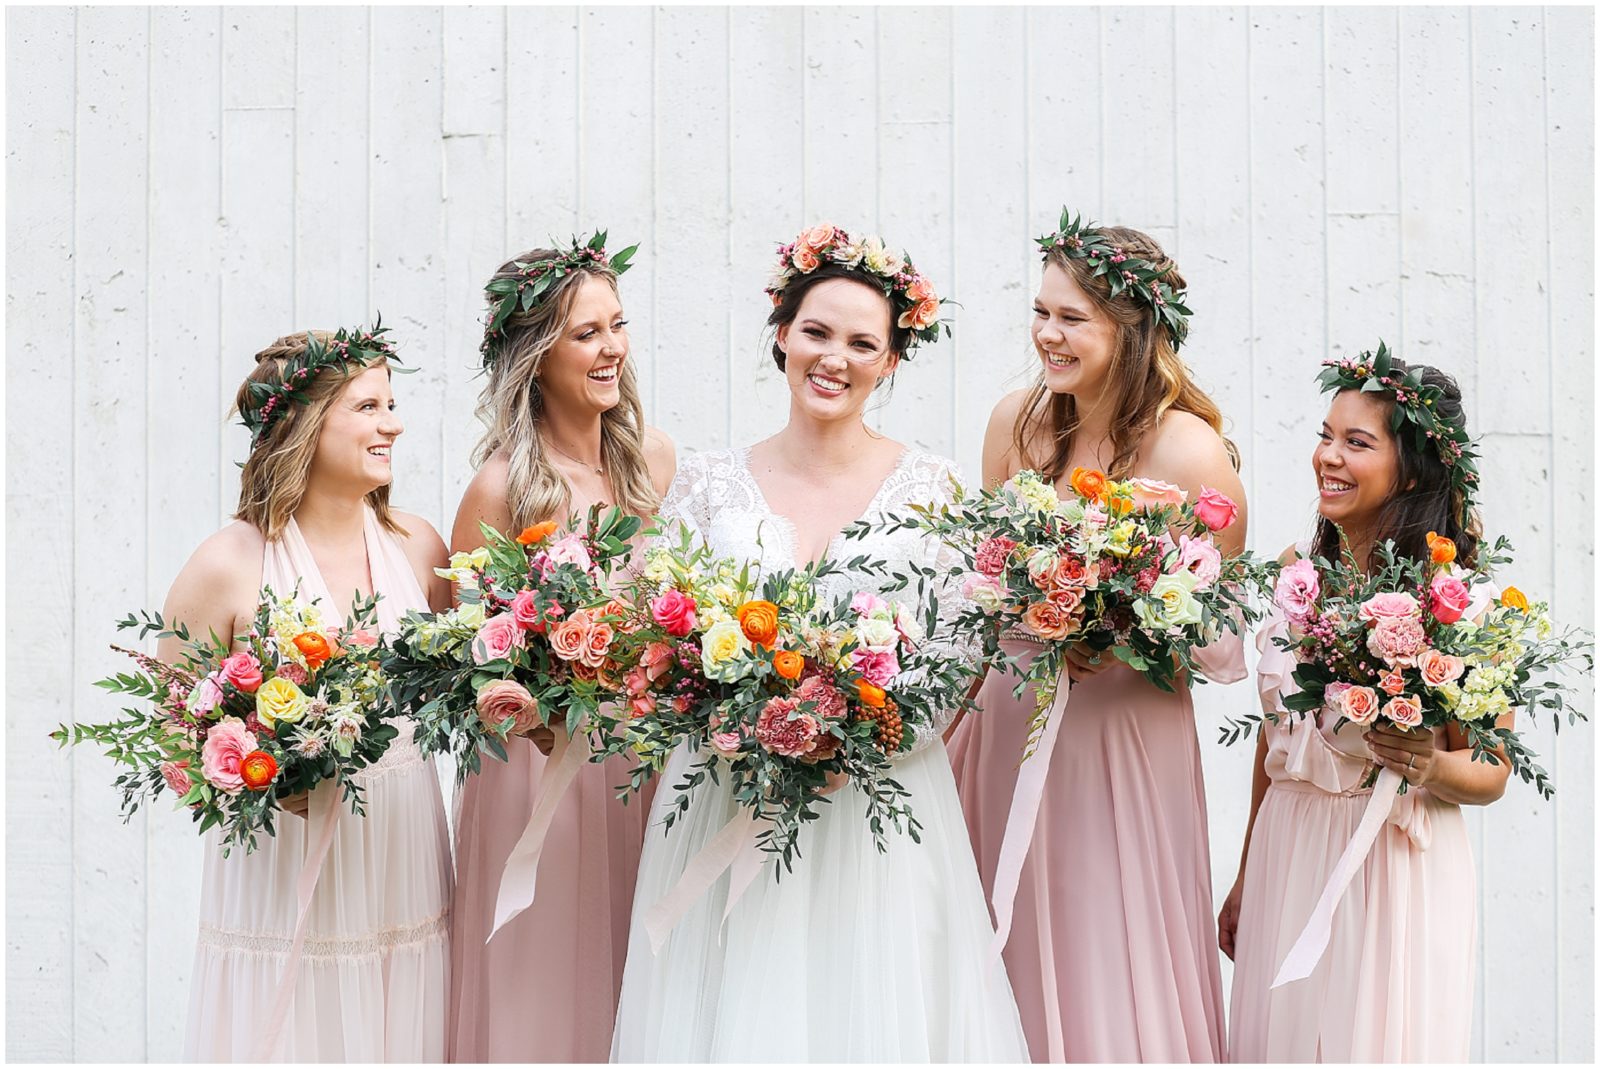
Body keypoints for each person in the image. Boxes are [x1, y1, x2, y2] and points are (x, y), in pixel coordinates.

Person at [609, 223, 1029, 1061]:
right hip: (728, 790)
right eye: (817, 331)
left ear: (892, 362)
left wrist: (855, 731)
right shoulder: (705, 481)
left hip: (876, 804)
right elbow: (659, 634)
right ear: (782, 334)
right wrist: (738, 713)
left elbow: (955, 654)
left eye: (862, 341)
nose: (834, 357)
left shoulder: (933, 488)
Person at [948, 214, 1245, 1062]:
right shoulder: (1016, 424)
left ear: (1133, 326)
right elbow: (986, 580)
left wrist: (1120, 629)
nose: (1047, 334)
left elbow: (1220, 633)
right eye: (1041, 311)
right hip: (1011, 721)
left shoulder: (1190, 452)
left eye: (1072, 318)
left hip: (1119, 737)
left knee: (1106, 931)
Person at [173, 324, 453, 1061]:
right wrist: (254, 775)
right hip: (285, 860)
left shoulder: (419, 547)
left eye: (391, 403)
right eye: (367, 406)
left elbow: (465, 686)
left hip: (401, 849)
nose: (392, 421)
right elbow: (174, 729)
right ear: (304, 423)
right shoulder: (230, 562)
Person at [1221, 355, 1502, 1062]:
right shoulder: (1297, 569)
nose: (1328, 457)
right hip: (1289, 847)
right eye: (1326, 434)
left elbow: (1491, 768)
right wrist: (1247, 872)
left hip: (1389, 862)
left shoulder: (1459, 597)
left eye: (1357, 441)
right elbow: (1273, 740)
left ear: (1410, 470)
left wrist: (1428, 762)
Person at [446, 235, 676, 1063]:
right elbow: (465, 661)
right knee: (540, 991)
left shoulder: (653, 462)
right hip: (534, 767)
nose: (612, 347)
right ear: (537, 355)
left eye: (617, 324)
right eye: (587, 333)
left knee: (636, 980)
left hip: (638, 759)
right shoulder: (500, 488)